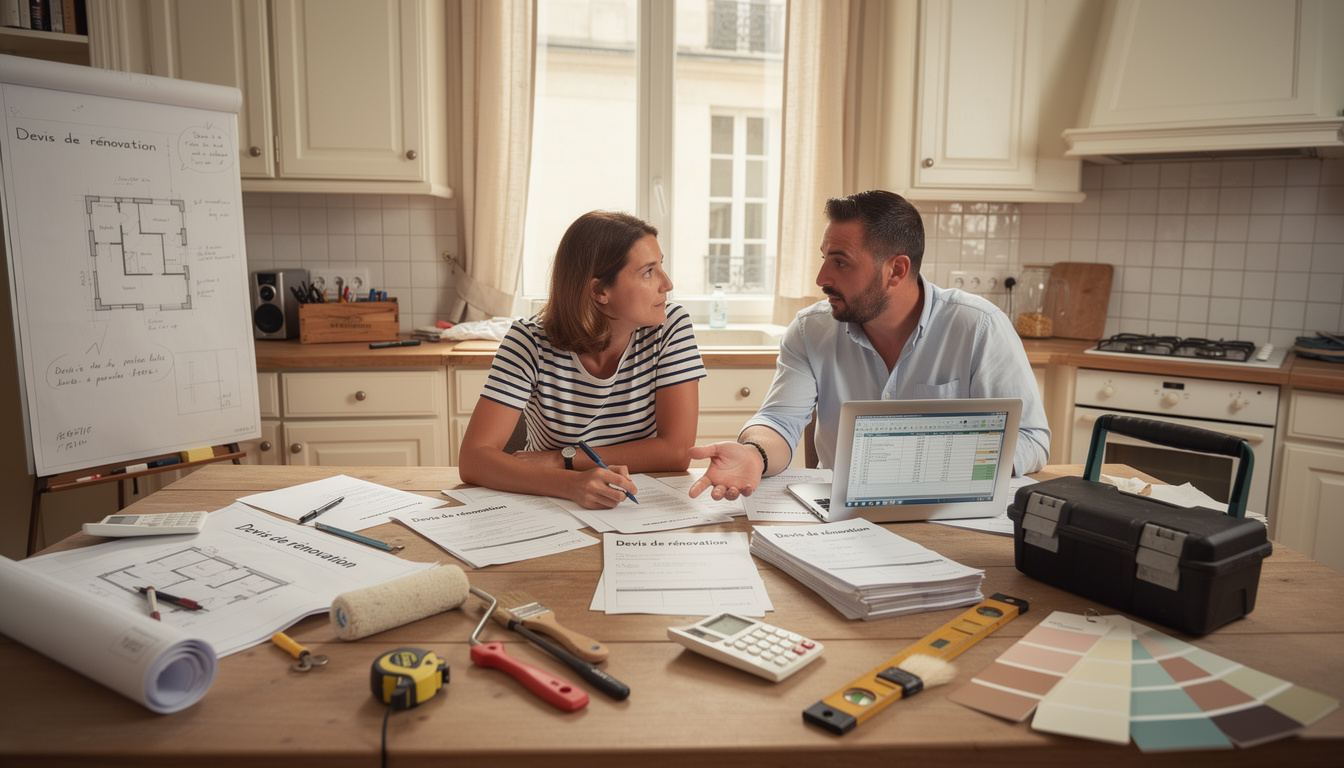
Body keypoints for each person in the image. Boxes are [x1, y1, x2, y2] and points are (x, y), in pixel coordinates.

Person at [689, 190, 1049, 501]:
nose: (821, 278)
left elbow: (1032, 439)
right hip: (842, 517)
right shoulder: (809, 330)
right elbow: (778, 421)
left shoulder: (978, 327)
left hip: (949, 511)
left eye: (841, 262)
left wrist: (939, 467)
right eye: (824, 257)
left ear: (896, 270)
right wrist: (754, 454)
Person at [459, 210, 705, 508]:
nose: (667, 284)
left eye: (660, 266)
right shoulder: (528, 341)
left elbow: (677, 453)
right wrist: (572, 484)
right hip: (552, 501)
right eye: (648, 272)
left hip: (644, 502)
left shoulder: (670, 326)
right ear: (600, 290)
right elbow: (473, 459)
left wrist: (563, 459)